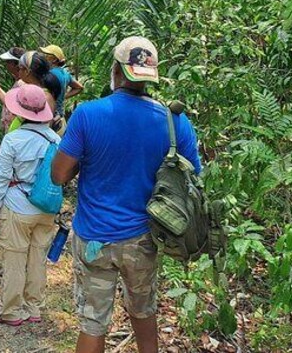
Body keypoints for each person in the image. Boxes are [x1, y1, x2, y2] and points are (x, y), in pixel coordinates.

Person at [50, 37, 201, 353]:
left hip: (94, 237)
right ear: (150, 76)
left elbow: (59, 175)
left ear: (116, 71)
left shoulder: (88, 115)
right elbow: (192, 178)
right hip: (143, 239)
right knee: (143, 311)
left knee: (92, 323)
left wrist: (88, 158)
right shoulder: (175, 122)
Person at [0, 84, 60, 326]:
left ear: (20, 111)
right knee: (37, 258)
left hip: (18, 206)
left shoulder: (13, 140)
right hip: (46, 207)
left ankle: (10, 310)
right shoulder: (55, 139)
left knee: (15, 258)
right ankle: (34, 307)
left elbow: (2, 178)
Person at [6, 51, 61, 133]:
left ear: (27, 71)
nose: (18, 71)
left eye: (20, 68)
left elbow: (44, 129)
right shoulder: (26, 91)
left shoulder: (45, 97)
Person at [0, 47, 26, 132]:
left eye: (8, 62)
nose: (6, 64)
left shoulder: (21, 84)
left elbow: (10, 103)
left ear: (17, 64)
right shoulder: (18, 80)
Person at [39, 44, 84, 108]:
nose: (44, 57)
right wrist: (63, 97)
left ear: (54, 59)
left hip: (51, 111)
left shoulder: (50, 74)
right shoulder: (65, 73)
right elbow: (79, 87)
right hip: (60, 112)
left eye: (46, 55)